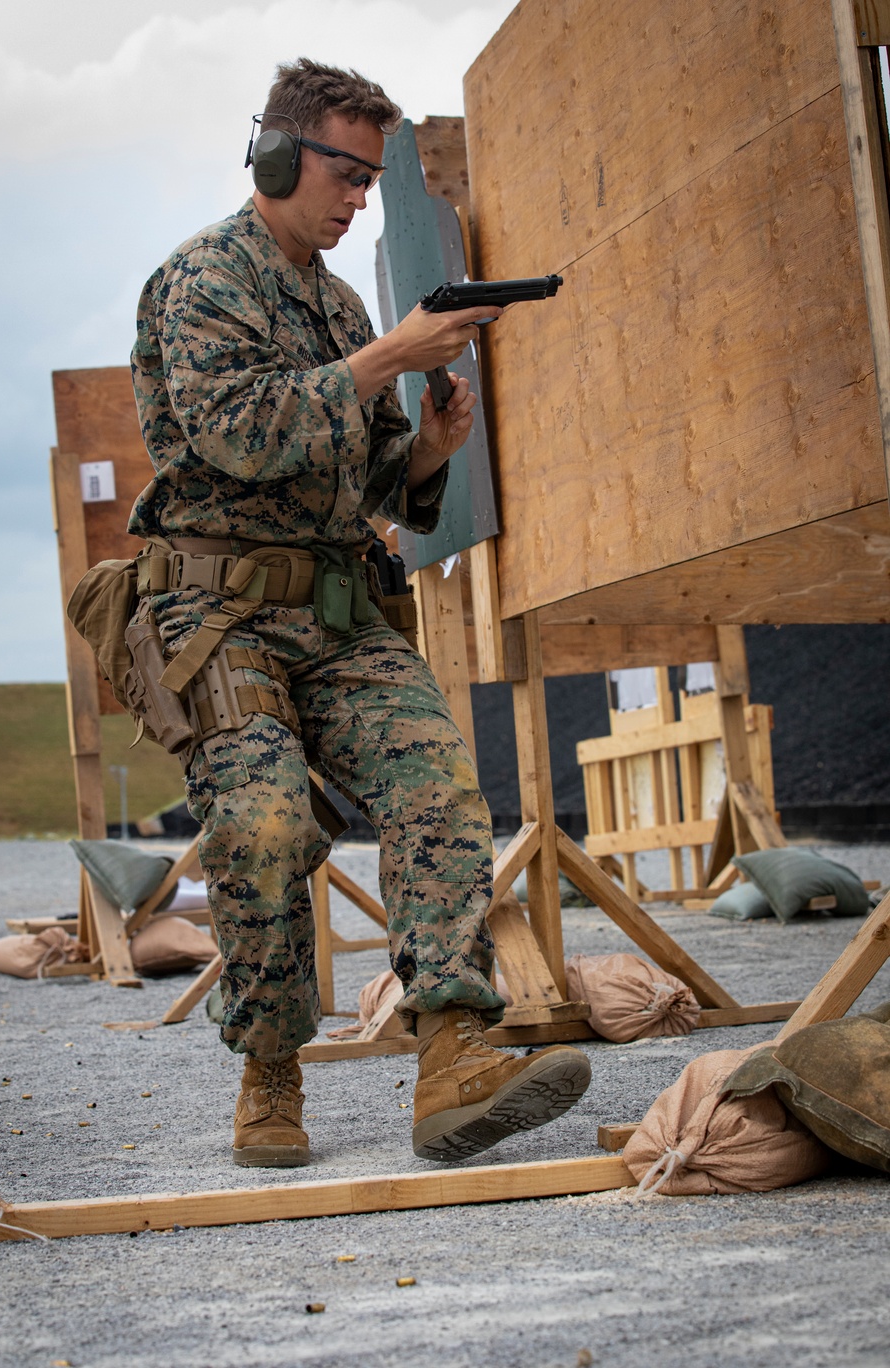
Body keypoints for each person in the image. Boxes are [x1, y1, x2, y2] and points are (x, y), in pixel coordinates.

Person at [127, 57, 591, 1167]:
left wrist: (428, 443)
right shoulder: (203, 282)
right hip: (220, 616)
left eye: (370, 180)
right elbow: (241, 434)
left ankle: (452, 1057)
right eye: (344, 173)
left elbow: (373, 481)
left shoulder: (334, 302)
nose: (355, 200)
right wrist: (385, 357)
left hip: (338, 615)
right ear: (280, 157)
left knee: (437, 788)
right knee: (267, 824)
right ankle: (270, 1073)